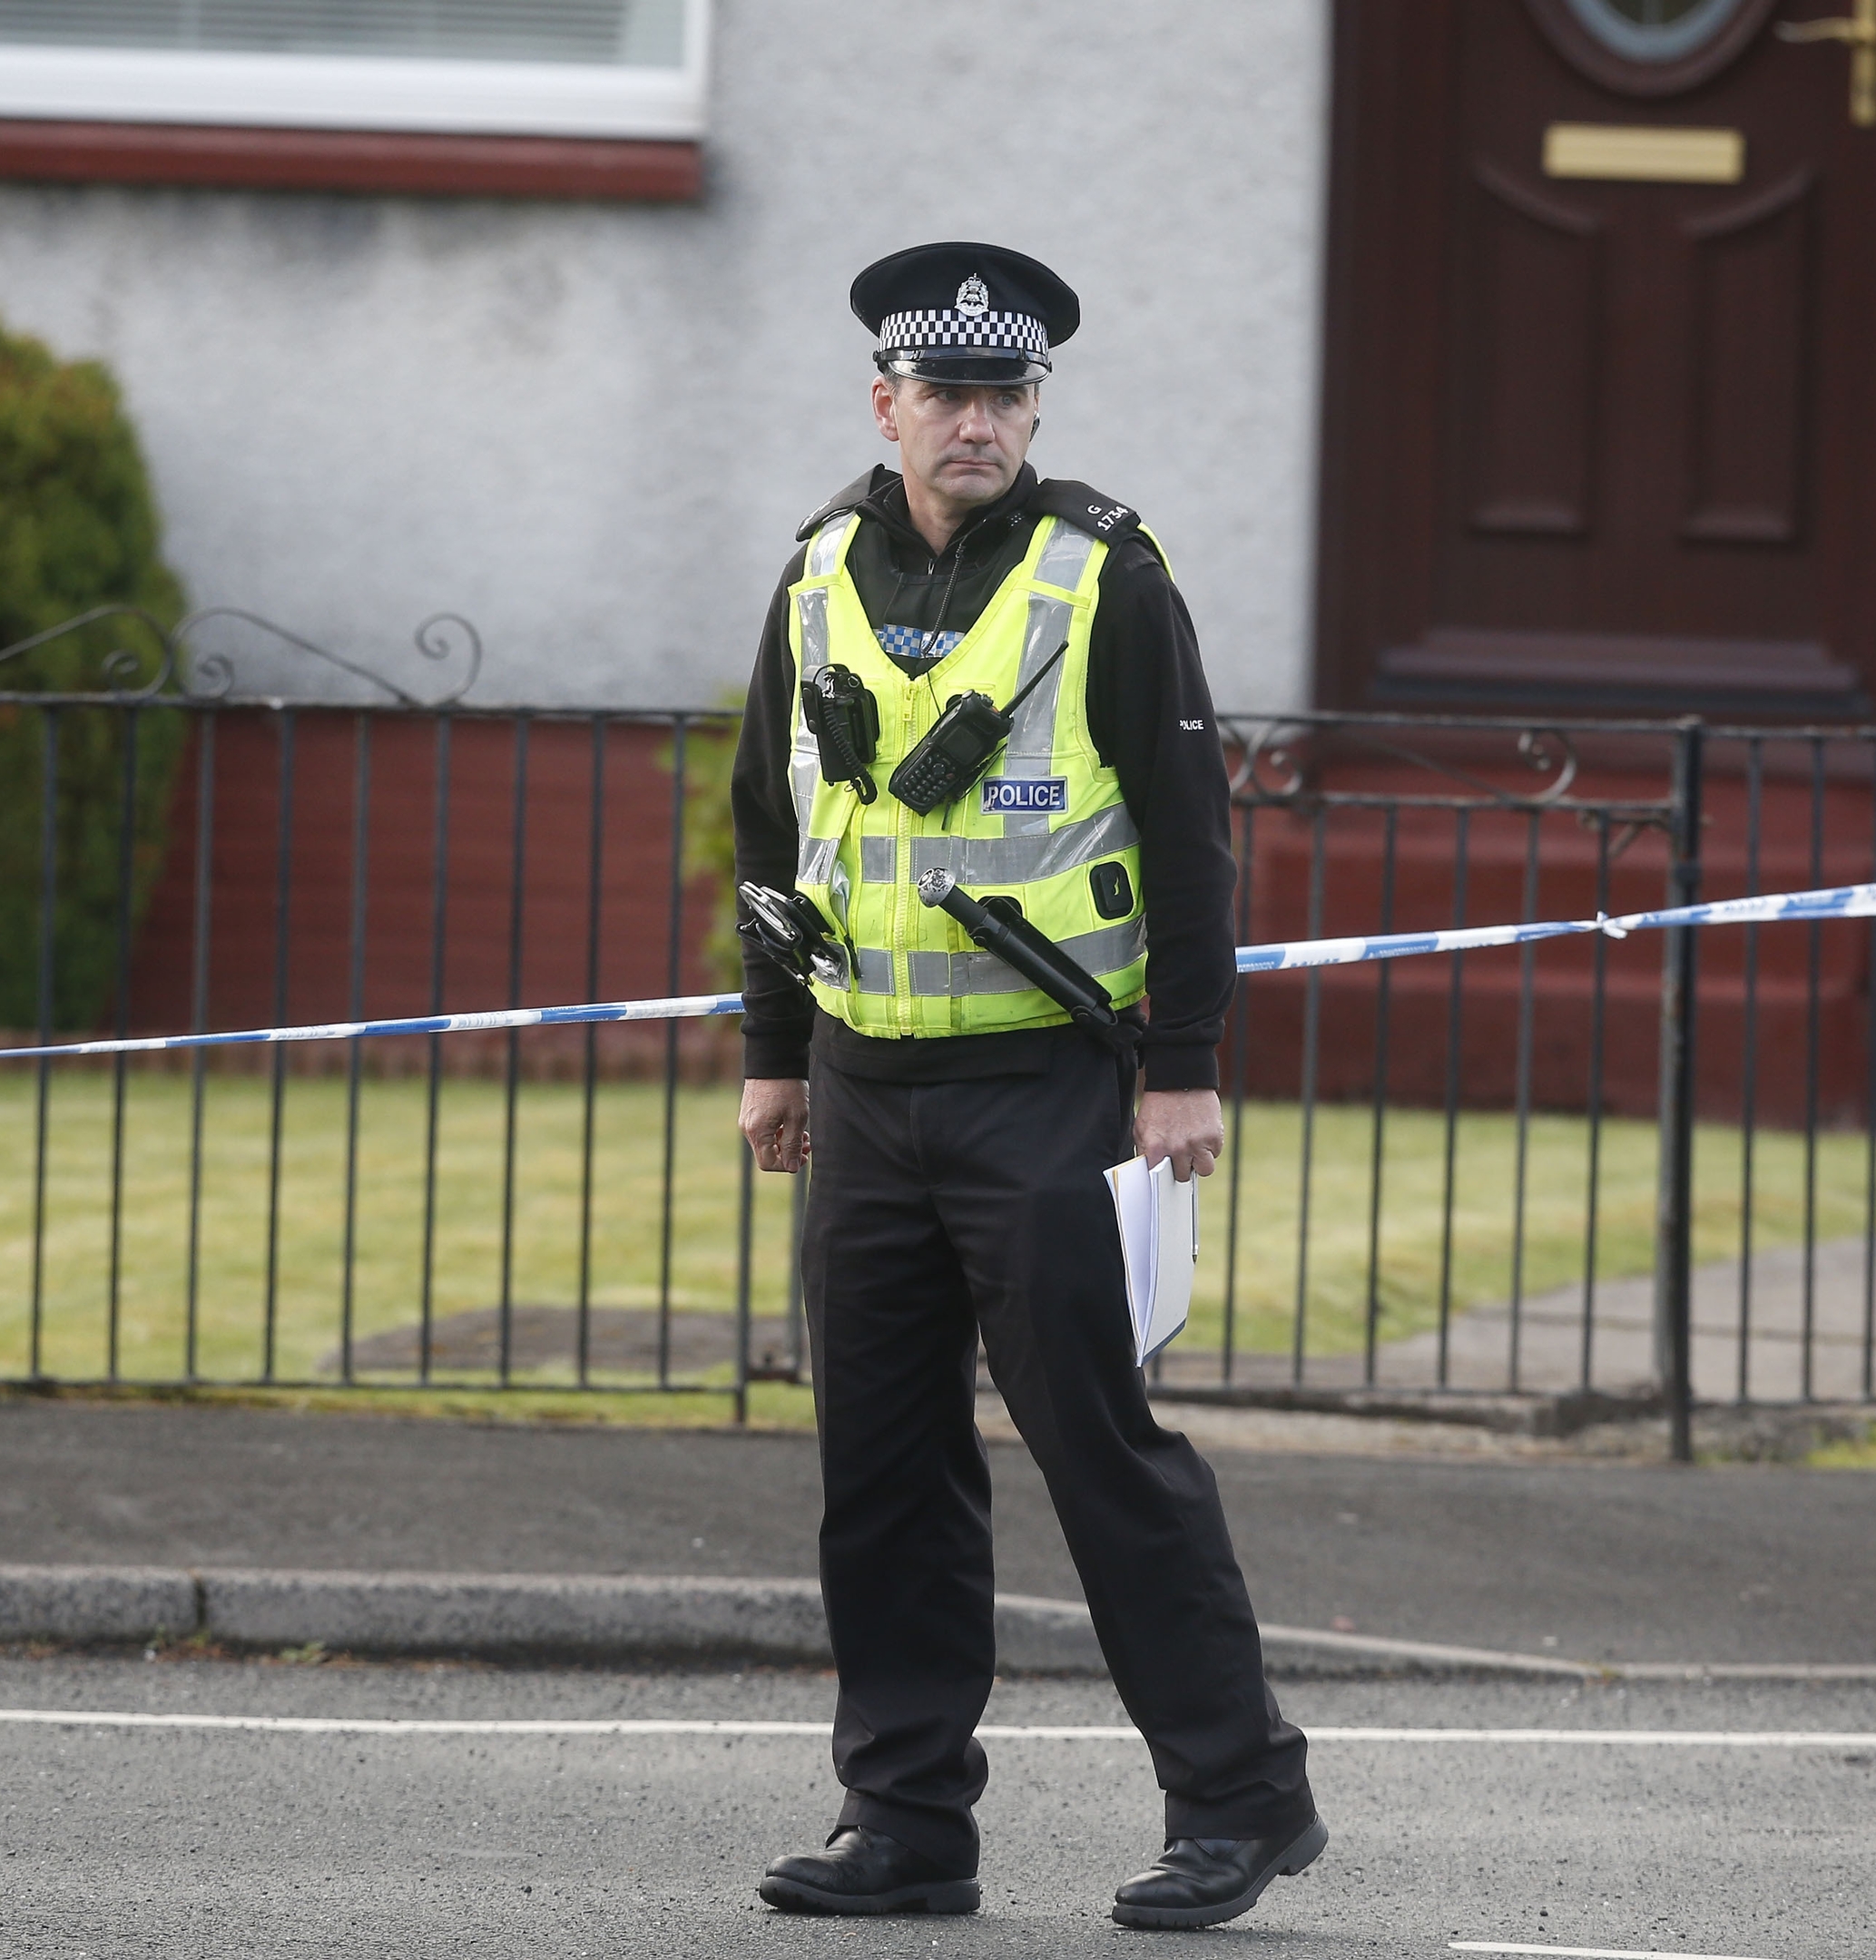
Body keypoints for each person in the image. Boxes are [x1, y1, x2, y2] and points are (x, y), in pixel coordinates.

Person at [729, 241, 1324, 1931]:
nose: (974, 423)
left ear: (1032, 411)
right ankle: (906, 1819)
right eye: (945, 395)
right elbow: (776, 833)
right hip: (864, 1088)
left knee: (1100, 1451)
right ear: (885, 405)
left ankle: (1238, 1799)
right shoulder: (814, 575)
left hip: (1047, 1086)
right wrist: (776, 1056)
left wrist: (1182, 1069)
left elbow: (1190, 839)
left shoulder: (1104, 578)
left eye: (1004, 397)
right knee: (884, 1469)